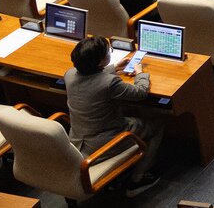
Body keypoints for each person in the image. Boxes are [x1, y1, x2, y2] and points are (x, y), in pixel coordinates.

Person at [64, 35, 163, 197]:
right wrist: (140, 73)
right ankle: (137, 180)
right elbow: (140, 93)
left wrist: (113, 67)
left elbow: (92, 79)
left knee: (132, 114)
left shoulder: (69, 75)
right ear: (100, 61)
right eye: (109, 51)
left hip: (78, 140)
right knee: (158, 123)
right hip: (105, 142)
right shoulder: (110, 83)